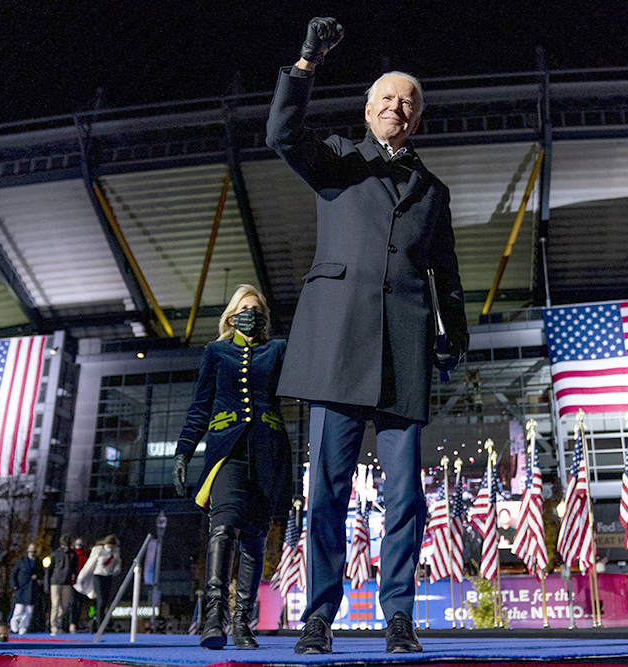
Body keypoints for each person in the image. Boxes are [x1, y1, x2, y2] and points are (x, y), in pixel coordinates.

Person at [266, 17, 468, 655]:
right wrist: (306, 64)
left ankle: (399, 616)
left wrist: (453, 335)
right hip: (337, 349)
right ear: (367, 108)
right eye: (386, 99)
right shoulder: (337, 161)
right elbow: (280, 134)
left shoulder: (433, 192)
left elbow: (448, 274)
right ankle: (319, 617)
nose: (396, 108)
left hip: (404, 353)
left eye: (408, 102)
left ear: (418, 118)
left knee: (405, 498)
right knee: (325, 492)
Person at [173, 284, 292, 650]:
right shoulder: (217, 352)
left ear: (265, 318)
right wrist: (183, 452)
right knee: (224, 526)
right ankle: (215, 615)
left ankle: (243, 621)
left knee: (255, 540)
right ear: (231, 314)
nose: (250, 314)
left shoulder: (278, 350)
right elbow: (199, 406)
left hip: (268, 452)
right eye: (243, 307)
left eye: (257, 309)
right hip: (227, 450)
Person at [75, 535, 121, 632]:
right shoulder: (98, 550)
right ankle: (100, 625)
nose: (110, 548)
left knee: (106, 601)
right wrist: (81, 577)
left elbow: (117, 563)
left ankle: (101, 620)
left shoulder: (115, 551)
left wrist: (116, 570)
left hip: (108, 576)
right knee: (100, 601)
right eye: (109, 546)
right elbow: (90, 564)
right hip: (98, 576)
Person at [9, 543, 44, 635]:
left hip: (32, 590)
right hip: (22, 589)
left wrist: (38, 579)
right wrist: (14, 586)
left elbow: (42, 574)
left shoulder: (39, 563)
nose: (32, 553)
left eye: (34, 551)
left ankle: (23, 627)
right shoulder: (21, 561)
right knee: (19, 609)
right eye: (31, 551)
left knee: (29, 611)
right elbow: (13, 574)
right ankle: (14, 625)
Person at [46, 534, 77, 635]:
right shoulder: (55, 554)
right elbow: (49, 570)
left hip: (67, 582)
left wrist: (74, 576)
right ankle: (53, 626)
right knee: (55, 604)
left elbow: (75, 568)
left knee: (64, 605)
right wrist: (47, 585)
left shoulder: (73, 554)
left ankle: (59, 621)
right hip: (55, 582)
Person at [68, 537, 88, 633]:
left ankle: (77, 621)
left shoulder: (85, 554)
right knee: (72, 603)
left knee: (80, 603)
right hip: (73, 581)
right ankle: (71, 623)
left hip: (82, 581)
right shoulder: (72, 554)